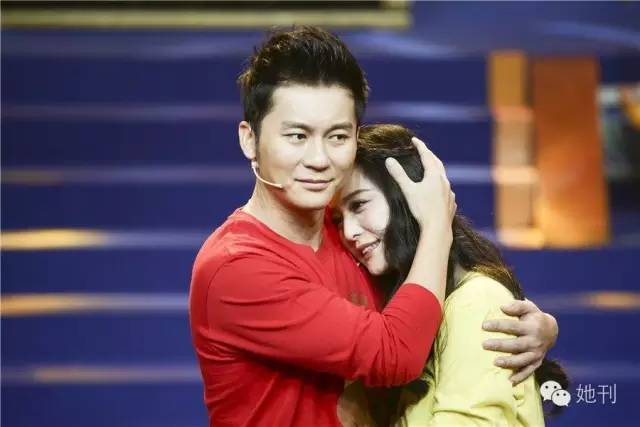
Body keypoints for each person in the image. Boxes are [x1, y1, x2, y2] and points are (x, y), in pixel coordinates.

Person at [189, 26, 559, 427]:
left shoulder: (351, 237)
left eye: (337, 136)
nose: (319, 159)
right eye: (297, 136)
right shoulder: (236, 266)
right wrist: (437, 224)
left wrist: (533, 326)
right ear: (250, 139)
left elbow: (425, 311)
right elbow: (395, 353)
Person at [335, 124, 568, 426]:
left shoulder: (476, 301)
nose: (348, 231)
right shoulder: (386, 305)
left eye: (359, 205)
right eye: (338, 219)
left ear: (409, 198)